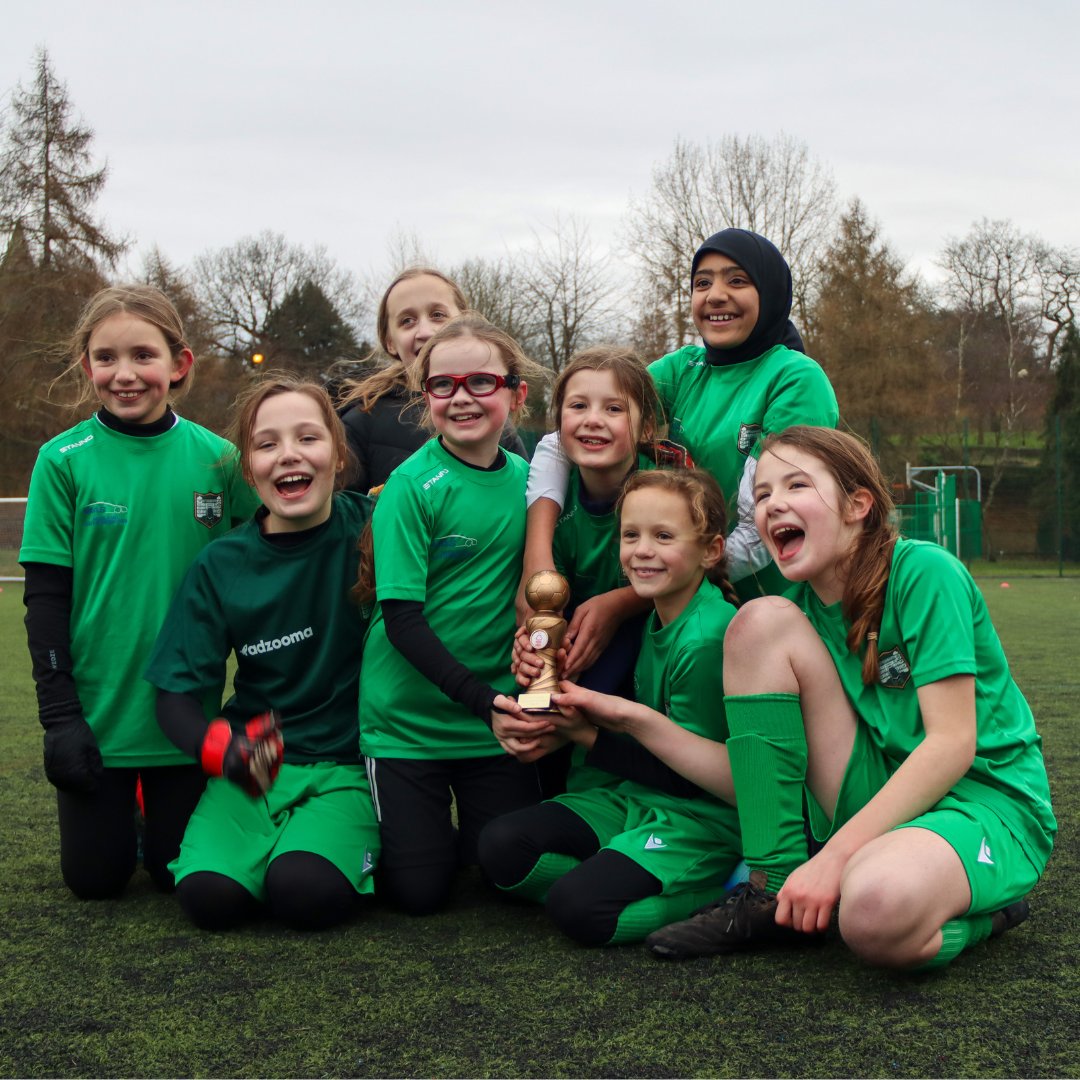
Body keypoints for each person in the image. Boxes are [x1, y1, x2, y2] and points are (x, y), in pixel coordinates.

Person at [630, 427, 1055, 968]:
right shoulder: (794, 612)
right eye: (761, 495)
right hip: (880, 788)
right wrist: (629, 721)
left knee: (871, 912)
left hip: (984, 802)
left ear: (857, 505)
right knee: (758, 622)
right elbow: (757, 772)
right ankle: (771, 888)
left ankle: (987, 917)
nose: (773, 503)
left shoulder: (923, 571)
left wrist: (835, 857)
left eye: (796, 486)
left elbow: (952, 744)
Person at [19, 285, 258, 899]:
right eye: (106, 358)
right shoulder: (61, 460)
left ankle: (162, 814)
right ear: (86, 367)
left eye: (142, 356)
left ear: (179, 365)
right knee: (95, 883)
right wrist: (60, 718)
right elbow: (44, 598)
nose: (124, 375)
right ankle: (120, 810)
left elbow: (262, 569)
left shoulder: (221, 461)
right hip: (98, 721)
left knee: (173, 875)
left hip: (187, 722)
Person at [521, 228, 839, 646]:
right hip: (687, 607)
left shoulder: (795, 378)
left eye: (737, 280)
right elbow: (563, 440)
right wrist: (537, 560)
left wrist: (628, 598)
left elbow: (772, 523)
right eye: (702, 282)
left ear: (772, 292)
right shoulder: (683, 369)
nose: (716, 295)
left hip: (777, 609)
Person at [145, 375, 380, 931]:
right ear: (248, 470)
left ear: (337, 454)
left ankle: (379, 844)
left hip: (346, 767)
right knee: (210, 901)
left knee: (303, 893)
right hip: (254, 770)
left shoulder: (375, 528)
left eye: (307, 438)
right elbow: (175, 692)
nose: (288, 455)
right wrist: (221, 753)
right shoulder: (221, 565)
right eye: (267, 444)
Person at [479, 470, 743, 946]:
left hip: (699, 820)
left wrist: (583, 734)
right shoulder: (658, 610)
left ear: (711, 550)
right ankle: (619, 867)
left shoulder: (706, 637)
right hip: (634, 799)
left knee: (581, 910)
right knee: (500, 847)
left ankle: (719, 892)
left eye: (663, 536)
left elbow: (688, 777)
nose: (642, 550)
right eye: (630, 535)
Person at [359, 312, 543, 915]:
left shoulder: (531, 484)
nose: (461, 397)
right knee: (420, 894)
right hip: (410, 723)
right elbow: (402, 621)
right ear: (425, 398)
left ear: (515, 394)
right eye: (443, 385)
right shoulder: (411, 487)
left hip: (491, 721)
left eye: (479, 382)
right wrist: (482, 700)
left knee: (506, 873)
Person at [337, 267, 525, 493]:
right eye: (407, 321)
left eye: (438, 315)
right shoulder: (360, 421)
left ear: (464, 323)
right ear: (389, 342)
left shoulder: (497, 423)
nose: (425, 332)